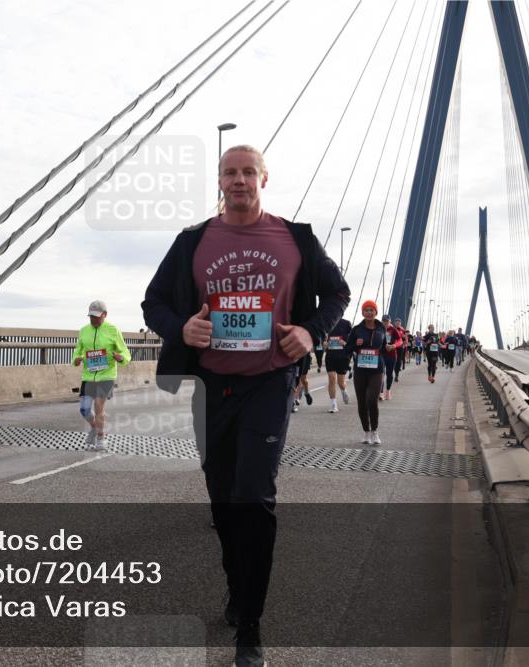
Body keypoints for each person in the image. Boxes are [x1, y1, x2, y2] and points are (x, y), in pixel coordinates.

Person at [141, 145, 350, 666]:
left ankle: (250, 628)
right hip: (213, 388)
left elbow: (338, 294)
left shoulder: (295, 238)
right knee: (222, 499)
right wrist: (179, 327)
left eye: (248, 172)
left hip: (268, 384)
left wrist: (310, 331)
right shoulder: (192, 242)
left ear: (264, 179)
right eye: (230, 173)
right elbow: (154, 302)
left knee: (254, 498)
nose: (239, 180)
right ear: (219, 181)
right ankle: (237, 585)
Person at [73, 300, 131, 451]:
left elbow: (125, 352)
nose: (93, 319)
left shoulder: (113, 330)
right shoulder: (84, 330)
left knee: (99, 406)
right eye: (91, 316)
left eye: (97, 316)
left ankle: (101, 438)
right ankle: (94, 427)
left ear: (105, 315)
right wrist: (76, 359)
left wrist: (121, 358)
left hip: (107, 375)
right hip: (88, 375)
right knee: (84, 409)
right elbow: (78, 350)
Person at [345, 301, 387, 444]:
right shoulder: (357, 329)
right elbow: (347, 349)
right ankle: (366, 432)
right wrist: (355, 344)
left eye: (372, 310)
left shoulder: (382, 329)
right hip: (361, 370)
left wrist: (390, 348)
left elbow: (384, 346)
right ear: (362, 313)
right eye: (366, 310)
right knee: (362, 402)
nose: (369, 312)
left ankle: (375, 431)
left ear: (376, 312)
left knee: (372, 400)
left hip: (376, 370)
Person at [324, 318, 352, 413]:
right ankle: (334, 405)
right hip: (330, 355)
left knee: (341, 383)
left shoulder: (346, 323)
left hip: (342, 356)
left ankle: (344, 391)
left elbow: (352, 339)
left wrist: (345, 343)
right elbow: (321, 336)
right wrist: (323, 343)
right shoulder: (327, 322)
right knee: (331, 379)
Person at [379, 315, 401, 400]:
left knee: (389, 373)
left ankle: (388, 391)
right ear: (381, 321)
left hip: (392, 355)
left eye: (387, 321)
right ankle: (381, 393)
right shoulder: (379, 329)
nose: (385, 323)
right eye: (384, 321)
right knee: (381, 373)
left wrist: (394, 345)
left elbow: (400, 340)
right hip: (381, 354)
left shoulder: (393, 330)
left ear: (390, 321)